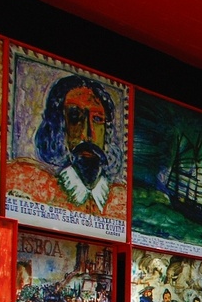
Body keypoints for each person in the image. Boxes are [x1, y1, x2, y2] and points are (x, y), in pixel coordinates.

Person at [11, 74, 125, 218]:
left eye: (97, 119)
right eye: (75, 117)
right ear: (58, 126)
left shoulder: (121, 200)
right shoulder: (30, 184)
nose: (87, 135)